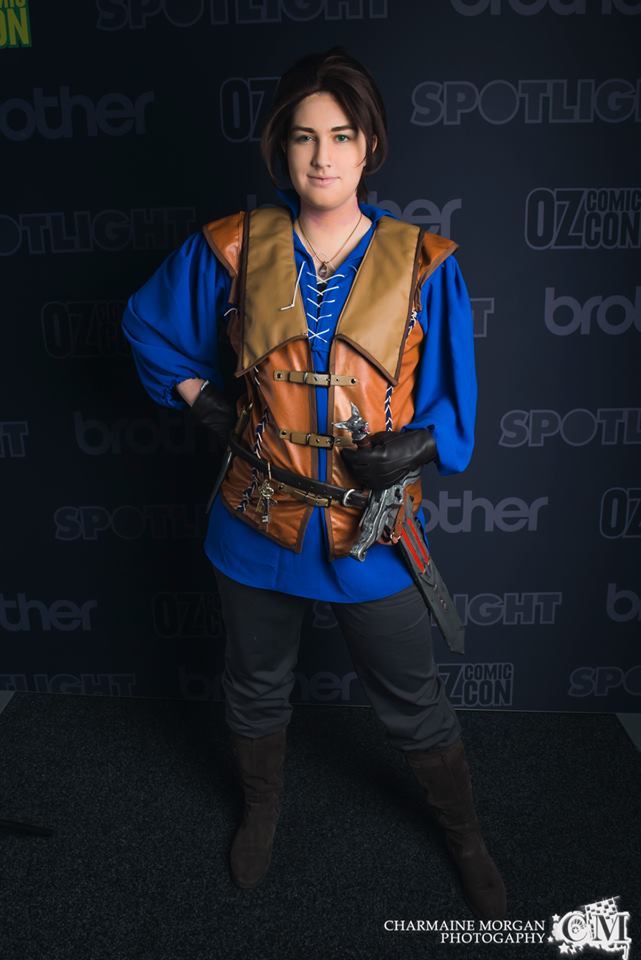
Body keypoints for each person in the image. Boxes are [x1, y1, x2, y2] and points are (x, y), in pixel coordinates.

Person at [121, 46, 506, 920]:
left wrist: (415, 447)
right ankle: (260, 811)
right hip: (253, 520)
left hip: (372, 530)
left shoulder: (423, 261)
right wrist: (199, 398)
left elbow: (453, 402)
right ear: (280, 148)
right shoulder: (231, 246)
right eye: (303, 137)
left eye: (340, 135)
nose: (322, 156)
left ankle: (464, 838)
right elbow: (145, 324)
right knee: (255, 684)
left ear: (369, 146)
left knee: (414, 702)